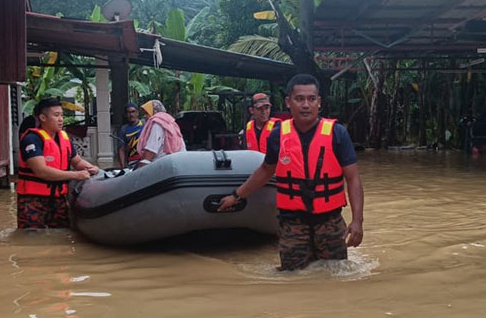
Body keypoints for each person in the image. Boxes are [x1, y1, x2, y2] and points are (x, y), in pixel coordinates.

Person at [219, 74, 364, 270]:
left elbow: (353, 178)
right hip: (292, 222)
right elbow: (265, 171)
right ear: (289, 102)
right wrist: (236, 196)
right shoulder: (278, 135)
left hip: (329, 221)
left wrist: (357, 221)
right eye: (299, 99)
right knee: (292, 276)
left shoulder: (337, 133)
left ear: (319, 102)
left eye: (311, 99)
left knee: (336, 275)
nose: (306, 105)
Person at [17, 97, 100, 229]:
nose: (61, 119)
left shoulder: (64, 138)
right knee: (31, 239)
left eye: (62, 115)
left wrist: (91, 168)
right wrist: (76, 175)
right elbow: (41, 171)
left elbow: (77, 161)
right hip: (33, 200)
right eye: (56, 115)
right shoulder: (32, 139)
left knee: (63, 235)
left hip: (59, 199)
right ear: (43, 118)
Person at [136, 99, 186, 164]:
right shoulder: (171, 122)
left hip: (163, 165)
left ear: (154, 111)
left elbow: (150, 151)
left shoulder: (157, 123)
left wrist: (140, 169)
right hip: (179, 161)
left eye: (146, 113)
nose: (145, 116)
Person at [117, 102, 145, 167]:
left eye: (133, 112)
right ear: (126, 114)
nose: (131, 114)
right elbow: (121, 149)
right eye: (128, 112)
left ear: (137, 113)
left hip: (145, 160)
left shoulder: (145, 124)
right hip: (132, 162)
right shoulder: (123, 129)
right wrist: (123, 167)